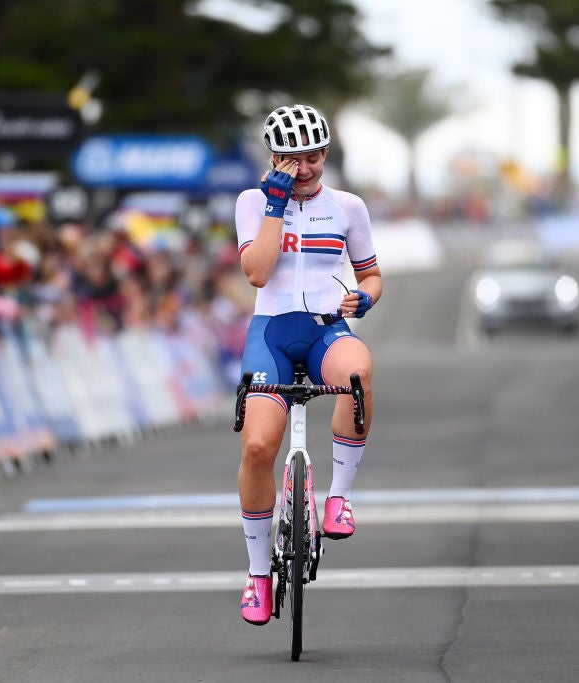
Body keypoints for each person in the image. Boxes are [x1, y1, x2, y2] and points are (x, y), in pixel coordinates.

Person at [234, 104, 383, 625]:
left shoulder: (348, 207)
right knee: (257, 447)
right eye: (292, 158)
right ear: (274, 157)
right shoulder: (252, 201)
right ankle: (257, 574)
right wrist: (274, 206)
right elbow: (256, 273)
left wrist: (364, 299)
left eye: (314, 156)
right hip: (271, 333)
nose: (304, 168)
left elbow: (371, 276)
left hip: (325, 331)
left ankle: (339, 499)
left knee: (358, 373)